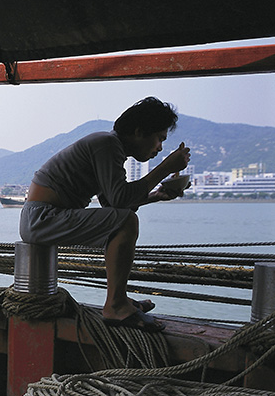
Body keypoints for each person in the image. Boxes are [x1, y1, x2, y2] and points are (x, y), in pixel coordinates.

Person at [19, 97, 191, 332]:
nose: (160, 148)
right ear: (139, 132)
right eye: (160, 138)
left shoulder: (109, 147)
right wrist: (165, 168)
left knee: (123, 220)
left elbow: (113, 204)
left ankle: (119, 299)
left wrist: (156, 196)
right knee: (126, 222)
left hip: (43, 218)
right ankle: (116, 305)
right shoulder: (106, 144)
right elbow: (121, 202)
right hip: (42, 218)